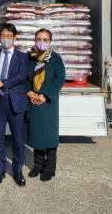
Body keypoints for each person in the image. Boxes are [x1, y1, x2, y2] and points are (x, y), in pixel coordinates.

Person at [0, 22, 28, 187]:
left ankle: (18, 171)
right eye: (3, 35)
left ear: (15, 37)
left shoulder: (22, 56)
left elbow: (21, 76)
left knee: (18, 139)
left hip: (15, 102)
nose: (6, 39)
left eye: (9, 36)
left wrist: (2, 83)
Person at [24, 28, 65, 182]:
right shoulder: (29, 58)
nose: (42, 42)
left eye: (45, 39)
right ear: (35, 40)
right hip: (33, 101)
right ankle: (38, 165)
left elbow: (59, 79)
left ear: (50, 42)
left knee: (49, 135)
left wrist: (45, 94)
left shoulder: (55, 59)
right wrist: (29, 92)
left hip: (48, 102)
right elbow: (23, 78)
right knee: (36, 135)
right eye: (39, 39)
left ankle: (50, 168)